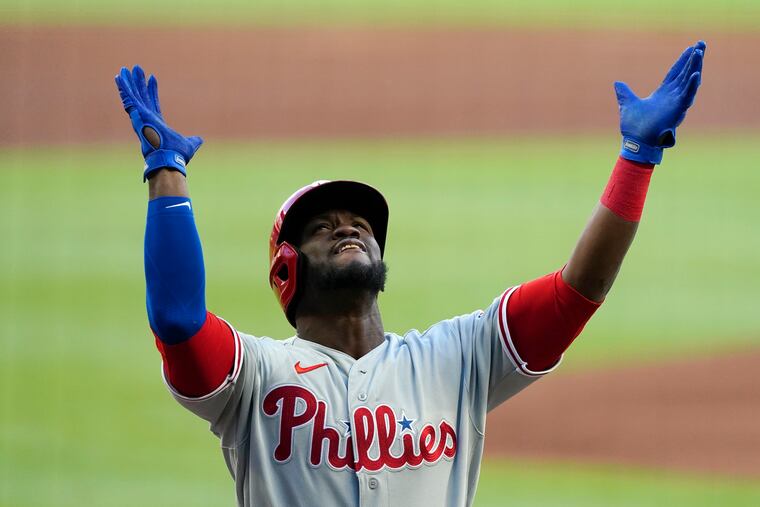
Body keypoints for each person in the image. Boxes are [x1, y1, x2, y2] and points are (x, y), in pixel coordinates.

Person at [115, 40, 706, 506]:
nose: (350, 228)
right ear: (285, 270)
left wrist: (637, 157)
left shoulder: (457, 359)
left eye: (361, 224)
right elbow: (177, 320)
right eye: (323, 228)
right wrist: (167, 170)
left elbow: (577, 292)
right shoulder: (256, 380)